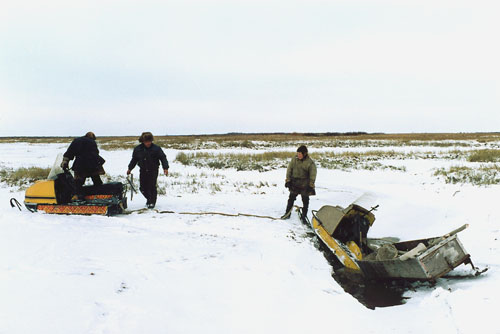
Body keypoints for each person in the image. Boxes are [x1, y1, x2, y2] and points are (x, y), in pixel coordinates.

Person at [127, 132, 169, 208]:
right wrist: (130, 168)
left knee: (152, 186)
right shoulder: (138, 149)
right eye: (146, 141)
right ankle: (149, 199)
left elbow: (163, 158)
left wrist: (165, 168)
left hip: (153, 170)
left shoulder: (156, 148)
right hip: (143, 170)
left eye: (149, 141)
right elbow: (134, 160)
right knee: (142, 187)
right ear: (142, 141)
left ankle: (152, 202)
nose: (148, 143)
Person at [281, 145, 317, 221]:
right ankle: (287, 213)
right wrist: (288, 180)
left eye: (300, 154)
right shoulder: (294, 159)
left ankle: (304, 216)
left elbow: (313, 175)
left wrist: (311, 185)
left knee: (305, 200)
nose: (298, 155)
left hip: (305, 184)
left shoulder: (310, 163)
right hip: (295, 183)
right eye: (298, 153)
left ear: (304, 154)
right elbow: (289, 169)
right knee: (291, 198)